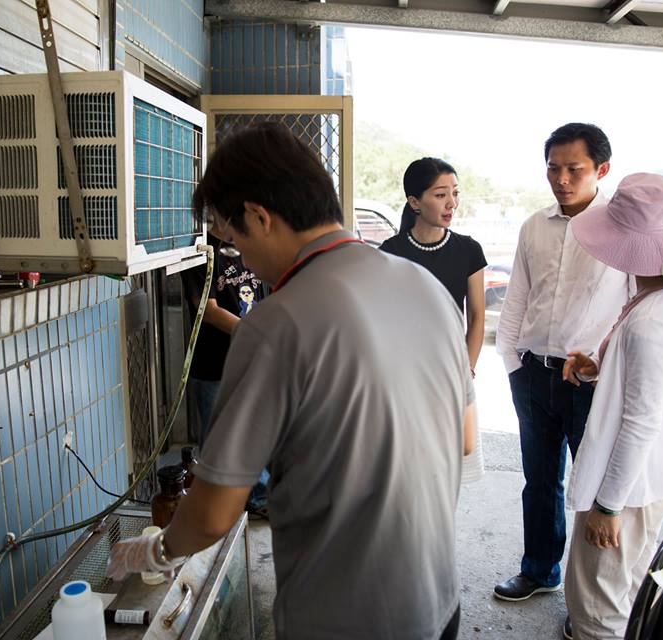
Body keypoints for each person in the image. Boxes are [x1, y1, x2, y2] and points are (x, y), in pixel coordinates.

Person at [108, 123, 473, 639]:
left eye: (236, 240)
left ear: (259, 217)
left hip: (343, 620)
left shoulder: (277, 322)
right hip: (438, 604)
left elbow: (213, 512)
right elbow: (466, 438)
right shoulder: (426, 286)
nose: (246, 262)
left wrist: (157, 548)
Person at [561, 173, 663, 639]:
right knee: (625, 585)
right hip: (659, 475)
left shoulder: (652, 321)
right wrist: (601, 369)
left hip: (629, 485)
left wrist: (607, 507)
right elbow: (655, 386)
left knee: (596, 606)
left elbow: (640, 423)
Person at [494, 123, 632, 609]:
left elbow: (631, 306)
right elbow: (517, 299)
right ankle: (540, 569)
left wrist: (603, 364)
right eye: (553, 168)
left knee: (593, 491)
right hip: (533, 373)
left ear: (602, 169)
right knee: (540, 479)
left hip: (591, 382)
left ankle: (590, 604)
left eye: (574, 169)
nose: (562, 179)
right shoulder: (535, 225)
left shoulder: (622, 228)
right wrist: (511, 362)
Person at [380, 158, 484, 472]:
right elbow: (387, 319)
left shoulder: (468, 250)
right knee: (406, 463)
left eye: (455, 193)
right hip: (405, 375)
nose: (452, 203)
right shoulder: (391, 251)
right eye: (440, 195)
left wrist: (466, 369)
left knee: (453, 458)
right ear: (414, 202)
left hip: (453, 372)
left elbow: (477, 316)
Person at [181, 218, 266, 448]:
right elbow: (208, 310)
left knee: (255, 446)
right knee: (220, 449)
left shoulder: (248, 244)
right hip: (215, 368)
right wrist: (255, 335)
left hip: (252, 364)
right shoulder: (201, 248)